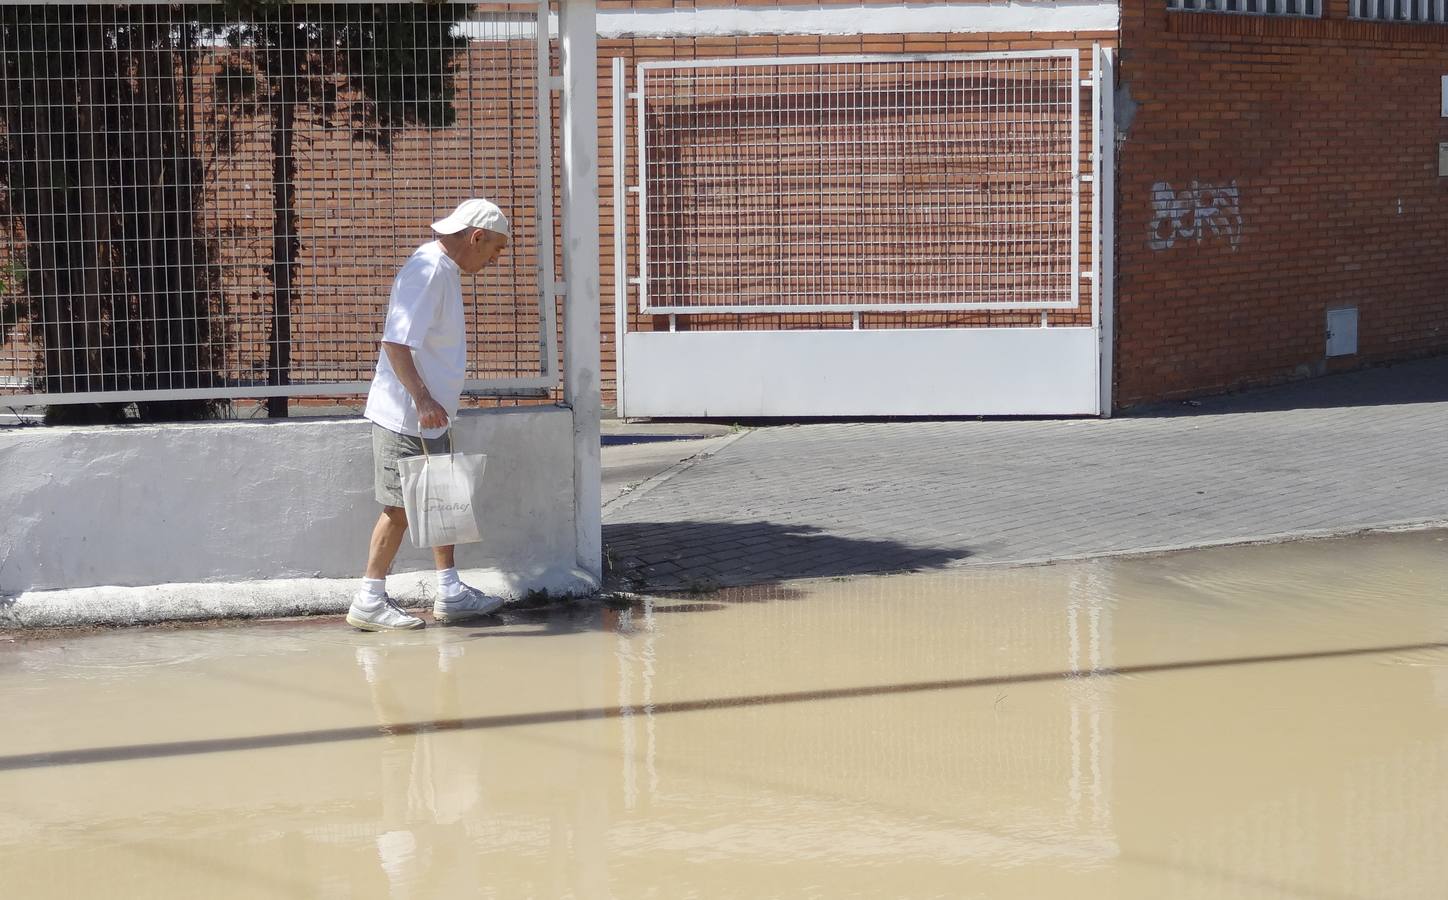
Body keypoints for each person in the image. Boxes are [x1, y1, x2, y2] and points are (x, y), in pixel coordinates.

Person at [347, 198, 512, 632]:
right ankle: (369, 599)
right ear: (476, 237)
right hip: (408, 416)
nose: (495, 259)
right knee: (400, 508)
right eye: (495, 249)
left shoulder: (442, 269)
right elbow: (395, 343)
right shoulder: (427, 272)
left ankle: (450, 591)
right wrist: (422, 399)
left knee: (441, 498)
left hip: (429, 415)